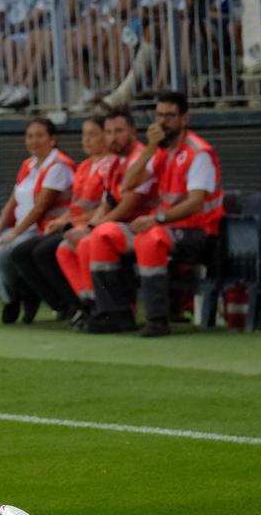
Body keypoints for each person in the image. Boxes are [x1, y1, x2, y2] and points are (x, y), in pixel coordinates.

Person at [87, 93, 224, 336]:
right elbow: (128, 184)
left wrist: (156, 219)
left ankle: (157, 319)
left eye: (170, 116)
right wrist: (150, 147)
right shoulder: (161, 151)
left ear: (184, 119)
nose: (162, 121)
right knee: (102, 234)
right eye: (159, 115)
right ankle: (116, 314)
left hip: (199, 232)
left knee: (149, 239)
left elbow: (195, 204)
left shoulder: (198, 153)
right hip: (164, 227)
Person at [0, 118, 75, 324]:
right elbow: (12, 202)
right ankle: (24, 289)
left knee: (0, 255)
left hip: (43, 229)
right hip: (20, 228)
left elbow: (41, 207)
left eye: (40, 135)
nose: (34, 140)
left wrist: (15, 234)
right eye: (30, 136)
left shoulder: (59, 165)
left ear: (52, 139)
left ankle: (10, 300)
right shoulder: (28, 164)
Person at [57, 109, 156, 329]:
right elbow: (107, 203)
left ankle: (117, 311)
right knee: (65, 248)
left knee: (96, 238)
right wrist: (89, 225)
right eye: (109, 132)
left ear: (133, 132)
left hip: (144, 227)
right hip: (122, 227)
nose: (113, 137)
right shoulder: (115, 162)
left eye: (119, 131)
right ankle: (91, 305)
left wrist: (92, 229)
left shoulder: (140, 159)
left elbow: (127, 206)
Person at [11, 116, 111, 322]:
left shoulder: (110, 166)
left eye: (92, 134)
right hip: (71, 224)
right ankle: (62, 306)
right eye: (84, 135)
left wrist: (67, 222)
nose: (86, 140)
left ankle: (79, 304)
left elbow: (104, 208)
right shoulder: (84, 166)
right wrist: (61, 220)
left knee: (44, 252)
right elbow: (74, 206)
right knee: (21, 252)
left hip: (90, 226)